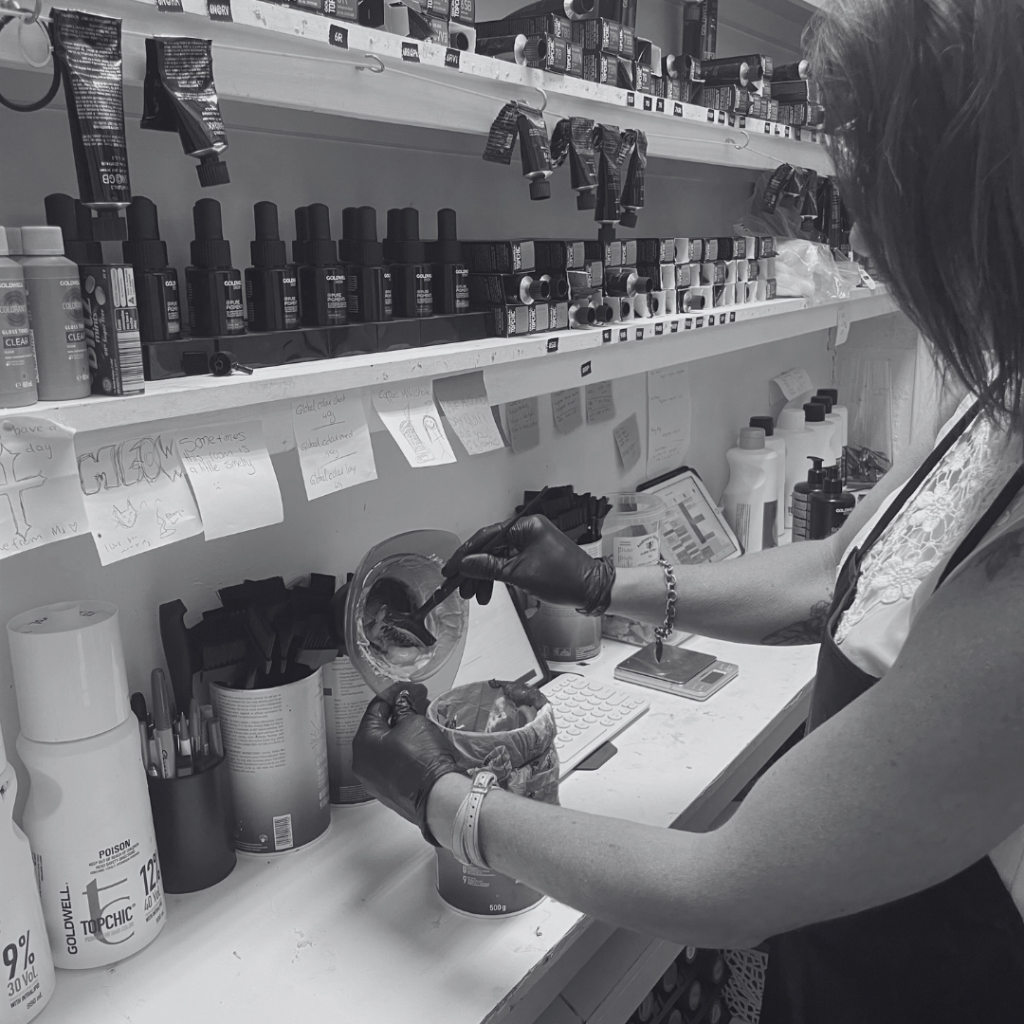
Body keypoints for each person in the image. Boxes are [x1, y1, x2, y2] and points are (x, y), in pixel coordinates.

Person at [353, 0, 1024, 1019]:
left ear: (979, 200)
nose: (859, 236)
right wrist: (597, 582)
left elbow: (729, 884)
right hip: (838, 955)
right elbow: (831, 575)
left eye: (883, 194)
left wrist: (444, 797)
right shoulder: (995, 405)